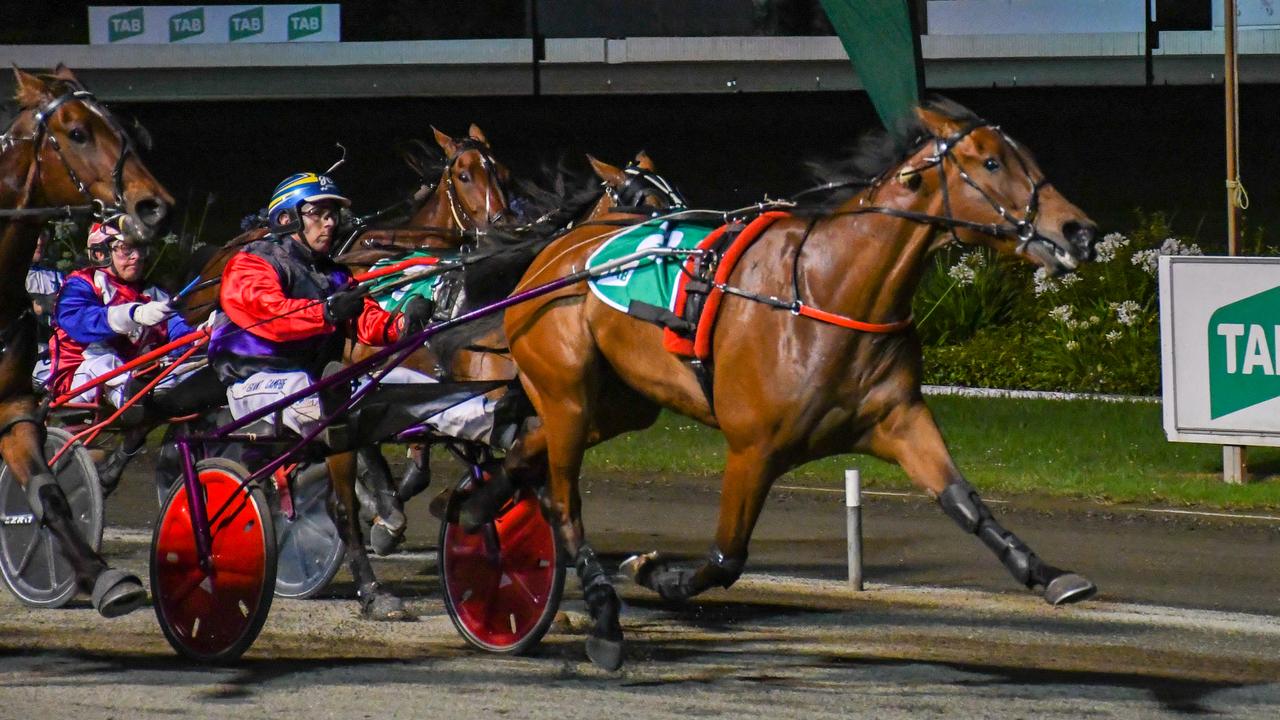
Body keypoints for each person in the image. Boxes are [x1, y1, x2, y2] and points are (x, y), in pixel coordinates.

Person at [47, 216, 196, 494]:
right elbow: (78, 320)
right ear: (102, 252)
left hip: (133, 379)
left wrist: (207, 332)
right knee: (100, 357)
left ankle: (142, 410)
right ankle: (135, 400)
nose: (137, 257)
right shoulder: (82, 284)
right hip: (76, 381)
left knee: (182, 368)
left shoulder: (152, 293)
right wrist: (134, 313)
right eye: (126, 250)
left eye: (140, 248)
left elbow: (179, 334)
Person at [27, 226, 65, 389]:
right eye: (35, 234)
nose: (40, 241)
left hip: (55, 353)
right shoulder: (8, 274)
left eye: (43, 234)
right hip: (19, 355)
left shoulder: (57, 275)